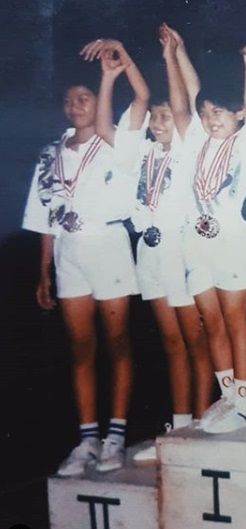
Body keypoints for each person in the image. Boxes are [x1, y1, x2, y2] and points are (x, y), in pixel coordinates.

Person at [80, 32, 213, 463]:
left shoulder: (190, 149)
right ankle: (180, 426)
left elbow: (182, 101)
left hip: (181, 248)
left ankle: (204, 420)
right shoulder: (141, 153)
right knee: (171, 341)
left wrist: (168, 55)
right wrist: (120, 66)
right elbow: (106, 129)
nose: (159, 122)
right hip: (149, 250)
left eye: (165, 116)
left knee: (196, 340)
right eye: (153, 117)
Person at [22, 75, 138, 475]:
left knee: (118, 342)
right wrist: (44, 273)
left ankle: (116, 437)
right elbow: (44, 218)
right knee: (80, 349)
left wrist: (110, 74)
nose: (76, 104)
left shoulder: (113, 143)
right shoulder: (49, 154)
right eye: (69, 98)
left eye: (84, 97)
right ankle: (87, 438)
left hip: (108, 244)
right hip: (69, 253)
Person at [164, 26, 246, 433]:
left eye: (219, 112)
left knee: (235, 318)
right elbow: (182, 99)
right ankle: (227, 396)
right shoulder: (193, 142)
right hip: (196, 241)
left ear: (236, 113)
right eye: (206, 113)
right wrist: (175, 52)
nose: (210, 120)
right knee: (211, 319)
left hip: (232, 240)